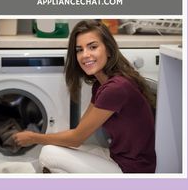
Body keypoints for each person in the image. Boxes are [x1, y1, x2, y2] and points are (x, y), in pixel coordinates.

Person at [13, 20, 156, 173]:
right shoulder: (101, 84)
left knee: (48, 154)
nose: (85, 55)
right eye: (79, 50)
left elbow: (76, 138)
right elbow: (80, 130)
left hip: (132, 170)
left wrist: (34, 137)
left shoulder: (116, 88)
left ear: (108, 49)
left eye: (93, 47)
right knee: (56, 148)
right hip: (118, 156)